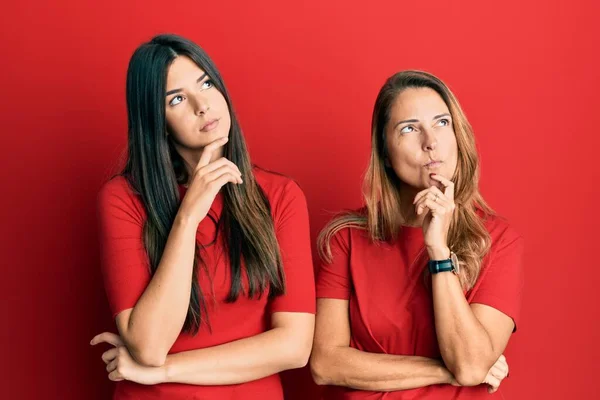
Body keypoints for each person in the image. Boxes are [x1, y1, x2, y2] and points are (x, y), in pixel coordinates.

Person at [90, 34, 315, 400]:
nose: (202, 105)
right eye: (176, 99)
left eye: (206, 83)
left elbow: (294, 347)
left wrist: (163, 371)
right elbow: (148, 345)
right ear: (157, 121)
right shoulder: (121, 200)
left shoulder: (280, 196)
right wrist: (188, 215)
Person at [310, 70, 524, 399]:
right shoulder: (345, 239)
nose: (431, 142)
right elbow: (326, 365)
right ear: (384, 151)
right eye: (409, 128)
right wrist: (443, 370)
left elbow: (469, 366)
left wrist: (438, 251)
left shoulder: (497, 239)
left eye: (442, 122)